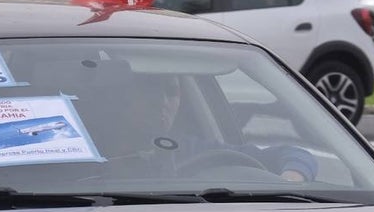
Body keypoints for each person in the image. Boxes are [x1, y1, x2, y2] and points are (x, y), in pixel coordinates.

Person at [128, 75, 318, 182]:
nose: (162, 102)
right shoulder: (99, 154)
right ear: (124, 96)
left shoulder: (189, 149)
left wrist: (291, 180)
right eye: (149, 90)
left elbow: (294, 154)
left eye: (171, 92)